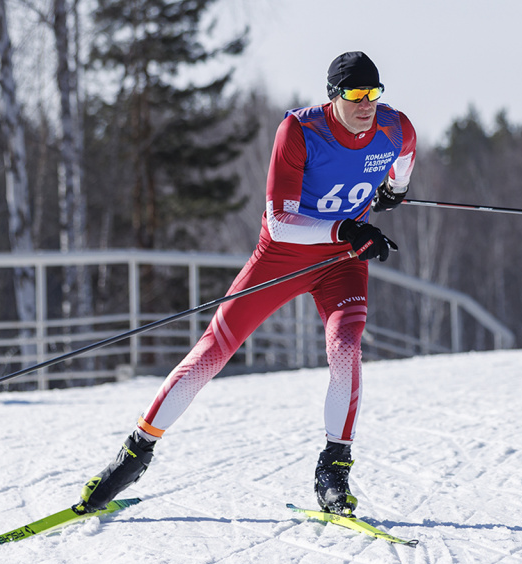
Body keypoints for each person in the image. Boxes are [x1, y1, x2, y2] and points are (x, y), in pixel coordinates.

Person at [75, 51, 416, 516]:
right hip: (282, 258)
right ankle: (135, 453)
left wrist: (395, 189)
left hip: (341, 263)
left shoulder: (394, 127)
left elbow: (405, 156)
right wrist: (348, 230)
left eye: (373, 92)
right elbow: (280, 222)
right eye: (355, 93)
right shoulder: (300, 131)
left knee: (346, 347)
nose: (366, 103)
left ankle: (334, 468)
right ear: (333, 95)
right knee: (213, 351)